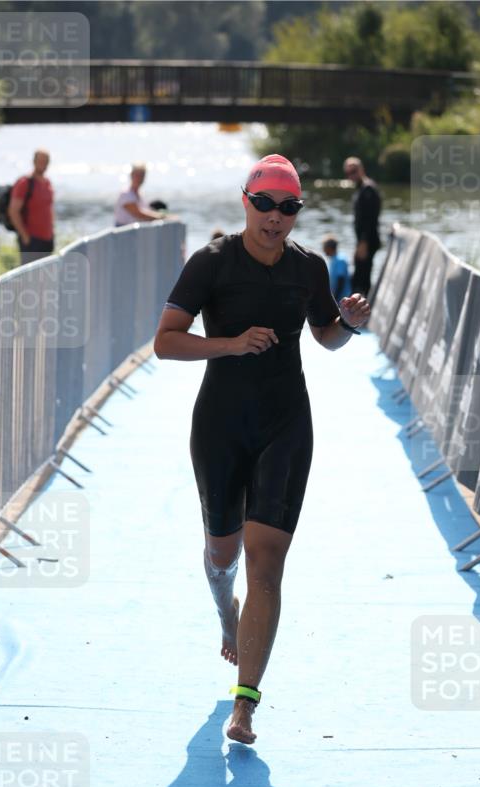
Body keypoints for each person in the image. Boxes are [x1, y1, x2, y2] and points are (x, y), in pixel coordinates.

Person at [154, 154, 370, 745]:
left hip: (285, 422)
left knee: (266, 565)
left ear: (299, 211)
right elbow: (165, 343)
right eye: (266, 205)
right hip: (220, 425)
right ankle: (226, 609)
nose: (276, 218)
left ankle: (244, 705)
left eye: (289, 207)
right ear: (246, 203)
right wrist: (231, 343)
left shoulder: (309, 269)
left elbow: (324, 337)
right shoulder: (212, 263)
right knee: (222, 554)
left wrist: (345, 325)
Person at [343, 156, 381, 297]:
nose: (351, 175)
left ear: (361, 169)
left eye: (354, 171)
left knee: (361, 279)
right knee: (360, 275)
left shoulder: (368, 189)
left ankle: (362, 311)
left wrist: (363, 243)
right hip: (363, 241)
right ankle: (361, 309)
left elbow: (370, 219)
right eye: (348, 173)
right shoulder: (361, 189)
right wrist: (359, 244)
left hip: (369, 241)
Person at [8, 149, 55, 264]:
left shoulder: (47, 182)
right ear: (34, 162)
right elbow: (13, 211)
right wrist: (25, 237)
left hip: (48, 239)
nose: (43, 164)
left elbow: (49, 208)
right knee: (31, 279)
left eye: (46, 161)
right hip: (32, 241)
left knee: (46, 277)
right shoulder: (24, 183)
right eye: (40, 161)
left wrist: (52, 231)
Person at [322, 234, 351, 300]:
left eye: (324, 247)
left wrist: (334, 298)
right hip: (337, 297)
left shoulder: (340, 260)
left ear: (329, 248)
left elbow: (341, 280)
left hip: (343, 298)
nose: (323, 250)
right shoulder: (333, 259)